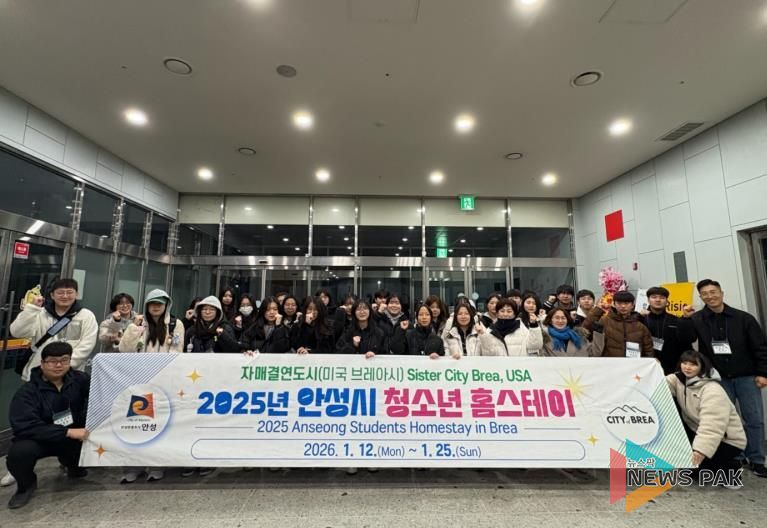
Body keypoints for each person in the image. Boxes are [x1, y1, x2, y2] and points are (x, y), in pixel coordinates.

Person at [684, 279, 767, 478]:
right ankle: (735, 457)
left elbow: (760, 347)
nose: (710, 296)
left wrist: (763, 373)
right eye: (705, 294)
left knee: (754, 419)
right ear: (701, 297)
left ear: (721, 293)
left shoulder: (743, 318)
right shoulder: (697, 319)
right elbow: (685, 339)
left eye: (713, 292)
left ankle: (757, 459)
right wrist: (685, 319)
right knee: (725, 421)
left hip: (746, 377)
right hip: (717, 380)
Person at [5, 342, 90, 509]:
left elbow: (99, 396)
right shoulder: (27, 392)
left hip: (74, 436)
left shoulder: (80, 379)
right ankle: (26, 485)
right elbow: (26, 427)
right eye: (52, 361)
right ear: (42, 363)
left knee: (95, 440)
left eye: (64, 360)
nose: (59, 365)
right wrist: (66, 432)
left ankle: (72, 464)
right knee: (19, 454)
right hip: (41, 439)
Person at [117, 289, 184, 483]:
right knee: (137, 423)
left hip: (164, 383)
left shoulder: (175, 324)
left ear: (166, 305)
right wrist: (134, 328)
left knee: (160, 425)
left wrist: (160, 372)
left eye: (160, 303)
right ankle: (133, 466)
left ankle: (157, 465)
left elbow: (177, 351)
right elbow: (124, 350)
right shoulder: (138, 324)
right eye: (152, 303)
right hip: (139, 383)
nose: (156, 307)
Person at [666, 350, 746, 484]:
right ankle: (703, 466)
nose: (687, 367)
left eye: (693, 364)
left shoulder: (712, 390)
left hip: (726, 440)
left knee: (706, 466)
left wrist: (700, 450)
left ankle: (732, 467)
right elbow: (657, 384)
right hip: (697, 432)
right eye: (685, 363)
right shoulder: (678, 380)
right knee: (691, 470)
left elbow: (712, 426)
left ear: (702, 367)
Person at [10, 278, 98, 382]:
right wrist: (32, 309)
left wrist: (64, 366)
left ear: (76, 294)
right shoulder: (40, 313)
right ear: (52, 295)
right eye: (60, 293)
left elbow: (87, 345)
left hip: (70, 376)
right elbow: (17, 332)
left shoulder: (86, 316)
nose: (65, 296)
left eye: (69, 292)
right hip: (39, 373)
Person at [639, 286, 695, 375]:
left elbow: (688, 341)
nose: (658, 300)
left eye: (662, 297)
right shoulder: (640, 320)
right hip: (647, 366)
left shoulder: (675, 320)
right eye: (654, 297)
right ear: (648, 300)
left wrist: (686, 319)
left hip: (672, 368)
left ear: (667, 301)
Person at [583, 291, 653, 358]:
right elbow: (585, 331)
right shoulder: (604, 321)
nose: (623, 306)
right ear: (614, 304)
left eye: (626, 303)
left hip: (633, 364)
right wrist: (597, 310)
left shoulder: (640, 324)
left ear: (632, 305)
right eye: (619, 303)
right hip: (609, 363)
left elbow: (648, 349)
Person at [478, 298, 542, 356]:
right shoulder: (490, 331)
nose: (505, 314)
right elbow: (488, 354)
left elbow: (535, 346)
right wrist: (483, 335)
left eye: (509, 311)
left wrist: (534, 325)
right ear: (497, 313)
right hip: (499, 365)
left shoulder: (521, 329)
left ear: (514, 314)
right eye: (502, 311)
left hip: (519, 365)